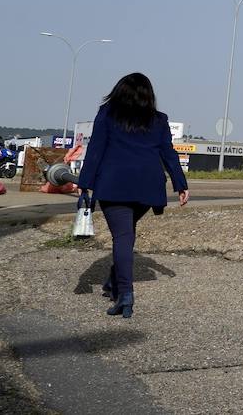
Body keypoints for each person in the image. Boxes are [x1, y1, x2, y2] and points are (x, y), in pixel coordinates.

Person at [77, 73, 188, 319]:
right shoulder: (158, 120)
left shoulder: (107, 113)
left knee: (123, 237)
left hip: (114, 184)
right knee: (126, 235)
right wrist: (180, 184)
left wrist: (84, 184)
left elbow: (96, 149)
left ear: (119, 91)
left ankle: (125, 293)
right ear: (149, 95)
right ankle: (113, 282)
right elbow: (168, 153)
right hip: (148, 186)